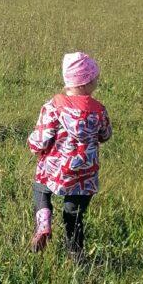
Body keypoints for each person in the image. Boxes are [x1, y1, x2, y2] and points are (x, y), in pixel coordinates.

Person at [27, 52, 112, 258]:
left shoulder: (54, 107)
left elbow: (41, 139)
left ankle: (44, 222)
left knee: (40, 187)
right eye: (95, 78)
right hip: (85, 175)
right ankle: (76, 255)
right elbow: (106, 135)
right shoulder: (99, 110)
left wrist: (33, 145)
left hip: (56, 168)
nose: (97, 82)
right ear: (85, 82)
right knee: (74, 215)